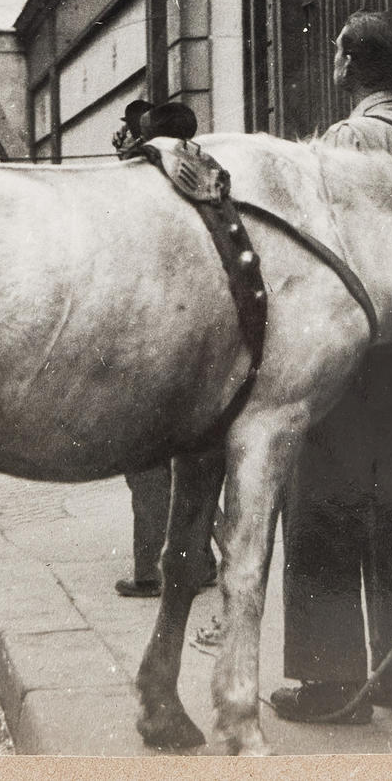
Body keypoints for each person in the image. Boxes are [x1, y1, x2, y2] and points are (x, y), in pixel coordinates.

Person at [271, 10, 392, 723]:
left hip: (355, 356)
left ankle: (330, 687)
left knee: (321, 508)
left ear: (348, 64)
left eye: (335, 53)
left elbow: (328, 251)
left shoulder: (348, 139)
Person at [111, 99, 217, 598]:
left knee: (147, 463)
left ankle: (150, 570)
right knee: (196, 459)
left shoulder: (143, 179)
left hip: (153, 338)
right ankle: (201, 559)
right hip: (204, 337)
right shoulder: (210, 174)